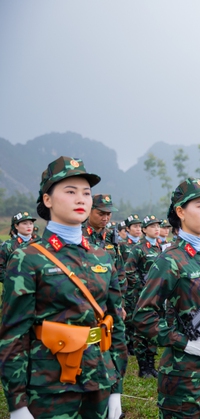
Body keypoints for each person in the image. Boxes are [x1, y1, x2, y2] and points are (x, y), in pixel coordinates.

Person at [0, 156, 126, 419]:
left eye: (86, 193)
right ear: (48, 200)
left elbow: (115, 323)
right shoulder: (28, 257)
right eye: (70, 192)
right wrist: (18, 403)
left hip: (100, 379)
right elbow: (14, 335)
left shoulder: (102, 256)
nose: (80, 199)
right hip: (51, 388)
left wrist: (117, 386)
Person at [133, 178, 200, 418]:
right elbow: (143, 316)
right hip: (183, 375)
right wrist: (183, 341)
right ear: (180, 211)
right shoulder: (170, 259)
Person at [124, 214, 163, 378]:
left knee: (153, 327)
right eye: (152, 226)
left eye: (158, 226)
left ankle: (151, 364)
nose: (157, 229)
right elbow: (129, 271)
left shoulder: (159, 247)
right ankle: (143, 367)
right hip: (140, 296)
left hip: (157, 295)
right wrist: (142, 287)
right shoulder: (138, 248)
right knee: (141, 330)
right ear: (145, 230)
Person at [0, 211, 37, 285]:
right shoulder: (7, 245)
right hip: (15, 291)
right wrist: (12, 282)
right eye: (25, 223)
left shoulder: (39, 244)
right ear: (16, 226)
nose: (29, 226)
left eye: (31, 223)